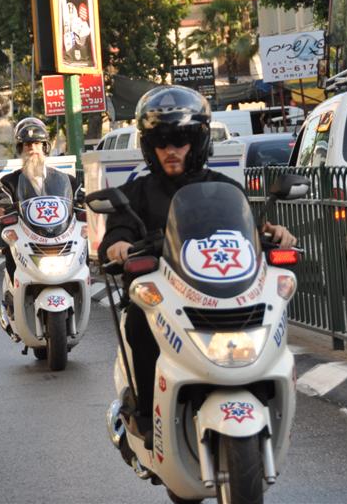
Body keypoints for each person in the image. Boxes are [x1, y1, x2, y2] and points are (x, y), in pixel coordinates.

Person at [98, 85, 296, 441]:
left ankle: (264, 396)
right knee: (139, 327)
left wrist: (274, 234)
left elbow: (247, 231)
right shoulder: (136, 194)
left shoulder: (225, 189)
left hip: (221, 297)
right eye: (162, 142)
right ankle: (146, 415)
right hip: (164, 301)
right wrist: (119, 247)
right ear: (149, 146)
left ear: (199, 141)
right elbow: (115, 236)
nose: (171, 151)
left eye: (181, 140)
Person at [0, 117, 79, 277]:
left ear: (45, 147)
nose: (32, 149)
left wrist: (86, 203)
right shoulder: (9, 182)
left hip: (61, 240)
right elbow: (1, 200)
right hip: (26, 244)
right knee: (11, 254)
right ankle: (13, 300)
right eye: (27, 144)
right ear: (21, 149)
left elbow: (79, 196)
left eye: (37, 144)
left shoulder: (65, 180)